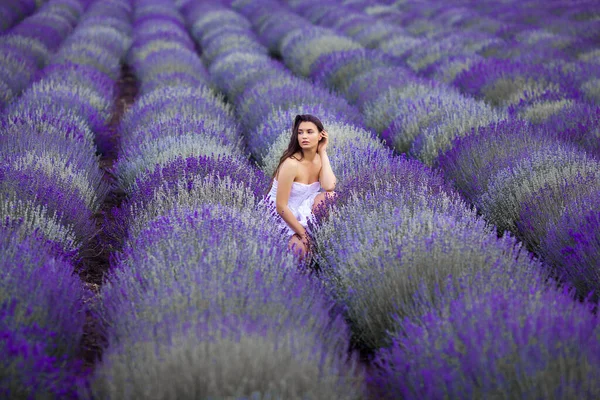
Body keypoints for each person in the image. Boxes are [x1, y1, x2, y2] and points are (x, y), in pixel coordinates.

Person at [266, 114, 337, 261]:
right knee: (299, 252)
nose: (304, 136)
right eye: (300, 132)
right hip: (282, 214)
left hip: (304, 207)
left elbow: (329, 186)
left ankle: (320, 239)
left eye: (309, 132)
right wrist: (303, 234)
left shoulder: (319, 159)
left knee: (331, 197)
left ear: (320, 136)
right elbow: (281, 207)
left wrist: (323, 151)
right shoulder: (291, 164)